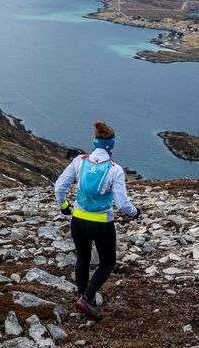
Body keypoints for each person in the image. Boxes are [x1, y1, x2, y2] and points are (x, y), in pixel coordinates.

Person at [54, 121, 139, 320]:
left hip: (78, 220)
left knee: (82, 258)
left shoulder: (79, 161)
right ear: (112, 145)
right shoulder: (115, 169)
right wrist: (135, 213)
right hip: (102, 223)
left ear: (95, 142)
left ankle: (84, 299)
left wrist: (65, 206)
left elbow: (59, 187)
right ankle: (86, 299)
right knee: (107, 263)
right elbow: (123, 204)